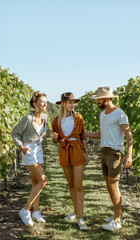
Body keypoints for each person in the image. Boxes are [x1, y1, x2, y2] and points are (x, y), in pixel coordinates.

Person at [86, 86, 133, 231]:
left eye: (99, 100)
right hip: (104, 152)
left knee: (114, 185)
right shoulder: (103, 115)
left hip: (114, 153)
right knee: (109, 185)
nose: (97, 103)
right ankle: (118, 215)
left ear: (107, 99)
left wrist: (129, 154)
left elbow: (129, 135)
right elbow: (102, 134)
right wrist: (85, 133)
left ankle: (117, 220)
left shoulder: (120, 114)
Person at [52, 92, 89, 230]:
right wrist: (55, 138)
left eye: (73, 103)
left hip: (77, 151)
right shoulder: (56, 121)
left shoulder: (78, 118)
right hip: (64, 151)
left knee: (78, 185)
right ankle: (76, 211)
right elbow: (55, 139)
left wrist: (86, 154)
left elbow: (83, 136)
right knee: (71, 184)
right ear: (63, 104)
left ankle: (81, 218)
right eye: (70, 103)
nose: (72, 105)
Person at [11, 91, 48, 226]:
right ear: (34, 104)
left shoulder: (45, 118)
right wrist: (21, 147)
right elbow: (15, 133)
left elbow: (41, 134)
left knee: (36, 181)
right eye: (42, 102)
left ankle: (36, 212)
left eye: (45, 101)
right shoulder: (28, 118)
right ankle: (25, 210)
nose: (45, 104)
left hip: (39, 149)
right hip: (29, 150)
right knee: (43, 181)